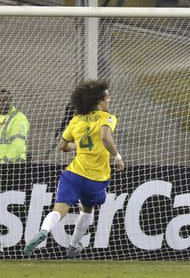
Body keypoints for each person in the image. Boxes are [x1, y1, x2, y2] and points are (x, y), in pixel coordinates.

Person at [24, 80, 125, 257]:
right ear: (99, 101)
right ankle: (73, 246)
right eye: (107, 97)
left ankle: (44, 231)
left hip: (74, 174)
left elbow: (62, 145)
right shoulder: (107, 117)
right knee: (87, 210)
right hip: (96, 178)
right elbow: (105, 137)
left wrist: (76, 147)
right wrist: (117, 157)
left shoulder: (76, 119)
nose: (109, 100)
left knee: (59, 210)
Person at [0, 88, 30, 163]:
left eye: (5, 99)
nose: (2, 102)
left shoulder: (19, 119)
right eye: (0, 100)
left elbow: (18, 146)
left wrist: (4, 163)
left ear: (11, 101)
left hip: (13, 166)